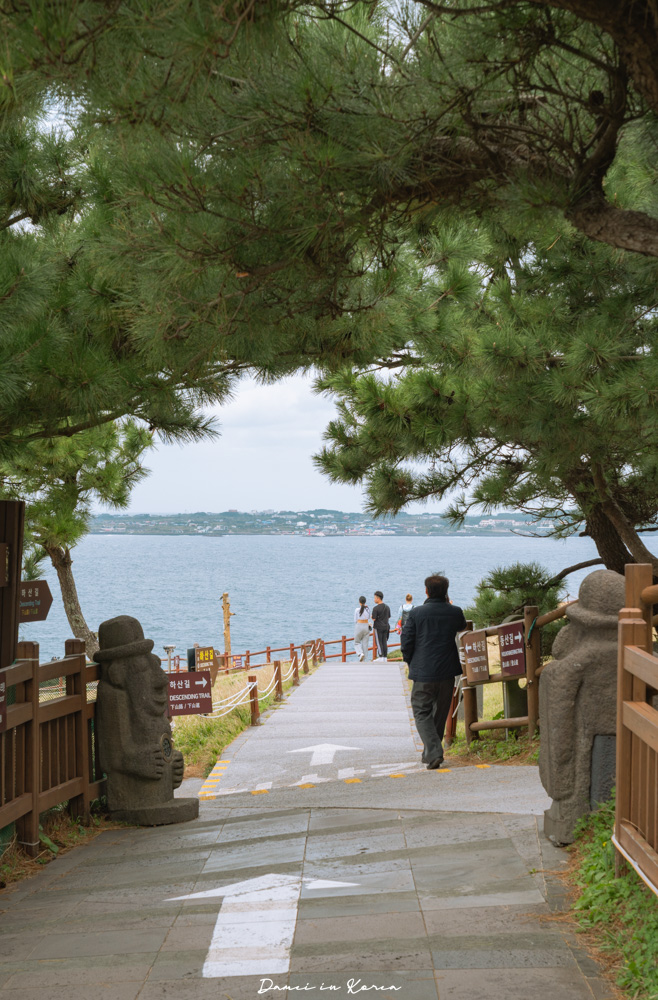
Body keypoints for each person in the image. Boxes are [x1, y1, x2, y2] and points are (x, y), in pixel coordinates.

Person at [401, 574, 467, 770]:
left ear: (426, 591)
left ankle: (434, 753)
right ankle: (431, 754)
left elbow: (406, 641)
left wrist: (409, 661)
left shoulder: (416, 613)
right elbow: (462, 625)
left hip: (423, 671)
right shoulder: (454, 612)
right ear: (446, 591)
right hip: (447, 671)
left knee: (421, 712)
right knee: (440, 713)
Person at [371, 591, 391, 662]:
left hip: (378, 627)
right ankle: (385, 657)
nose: (374, 599)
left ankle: (380, 656)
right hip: (386, 626)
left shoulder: (375, 608)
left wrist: (371, 616)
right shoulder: (387, 607)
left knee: (379, 642)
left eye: (374, 598)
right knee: (384, 641)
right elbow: (388, 617)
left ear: (378, 598)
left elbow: (373, 618)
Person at [353, 596, 371, 662]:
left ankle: (360, 653)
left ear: (359, 602)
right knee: (365, 643)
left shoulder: (357, 610)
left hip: (359, 625)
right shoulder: (368, 609)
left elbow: (355, 620)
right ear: (365, 602)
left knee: (356, 642)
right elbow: (369, 617)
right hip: (366, 625)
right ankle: (365, 659)